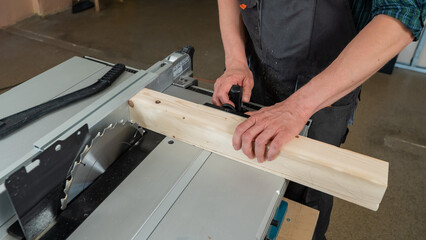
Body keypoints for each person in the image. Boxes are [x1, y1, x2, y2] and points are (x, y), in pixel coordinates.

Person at [212, 0, 425, 239]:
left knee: (306, 193)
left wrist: (297, 108)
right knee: (251, 177)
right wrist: (236, 62)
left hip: (326, 92)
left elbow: (400, 18)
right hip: (257, 74)